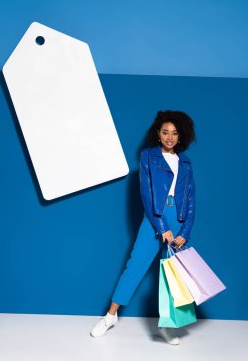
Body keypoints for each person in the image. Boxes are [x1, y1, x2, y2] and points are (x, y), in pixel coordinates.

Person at [90, 110, 196, 345]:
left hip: (177, 218)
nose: (170, 137)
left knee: (172, 276)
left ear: (181, 137)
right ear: (158, 134)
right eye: (165, 132)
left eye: (175, 133)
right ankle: (110, 316)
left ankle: (166, 327)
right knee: (135, 265)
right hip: (155, 218)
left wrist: (184, 232)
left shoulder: (186, 164)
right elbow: (147, 194)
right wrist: (162, 226)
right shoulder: (148, 156)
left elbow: (190, 201)